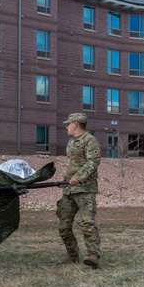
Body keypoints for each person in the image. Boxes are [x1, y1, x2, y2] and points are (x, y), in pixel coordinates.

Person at [56, 112, 102, 269]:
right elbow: (72, 165)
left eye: (68, 124)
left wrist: (79, 177)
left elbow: (93, 162)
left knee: (87, 223)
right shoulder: (71, 142)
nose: (66, 126)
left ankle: (93, 255)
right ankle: (72, 254)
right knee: (63, 224)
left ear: (75, 124)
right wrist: (65, 179)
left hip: (85, 189)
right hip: (70, 189)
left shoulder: (90, 140)